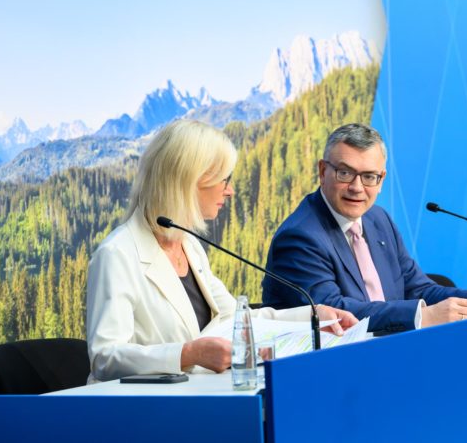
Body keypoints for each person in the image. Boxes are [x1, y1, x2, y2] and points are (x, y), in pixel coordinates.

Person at [86, 120, 356, 383]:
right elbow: (105, 356)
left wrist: (312, 315)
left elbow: (236, 320)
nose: (230, 191)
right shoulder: (117, 254)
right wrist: (190, 353)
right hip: (138, 413)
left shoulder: (187, 244)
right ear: (189, 180)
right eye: (224, 180)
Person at [262, 123, 467, 333]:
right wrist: (422, 315)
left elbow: (418, 288)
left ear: (381, 180)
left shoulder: (378, 219)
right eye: (345, 173)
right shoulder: (300, 236)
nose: (357, 188)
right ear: (322, 171)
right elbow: (335, 313)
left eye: (369, 176)